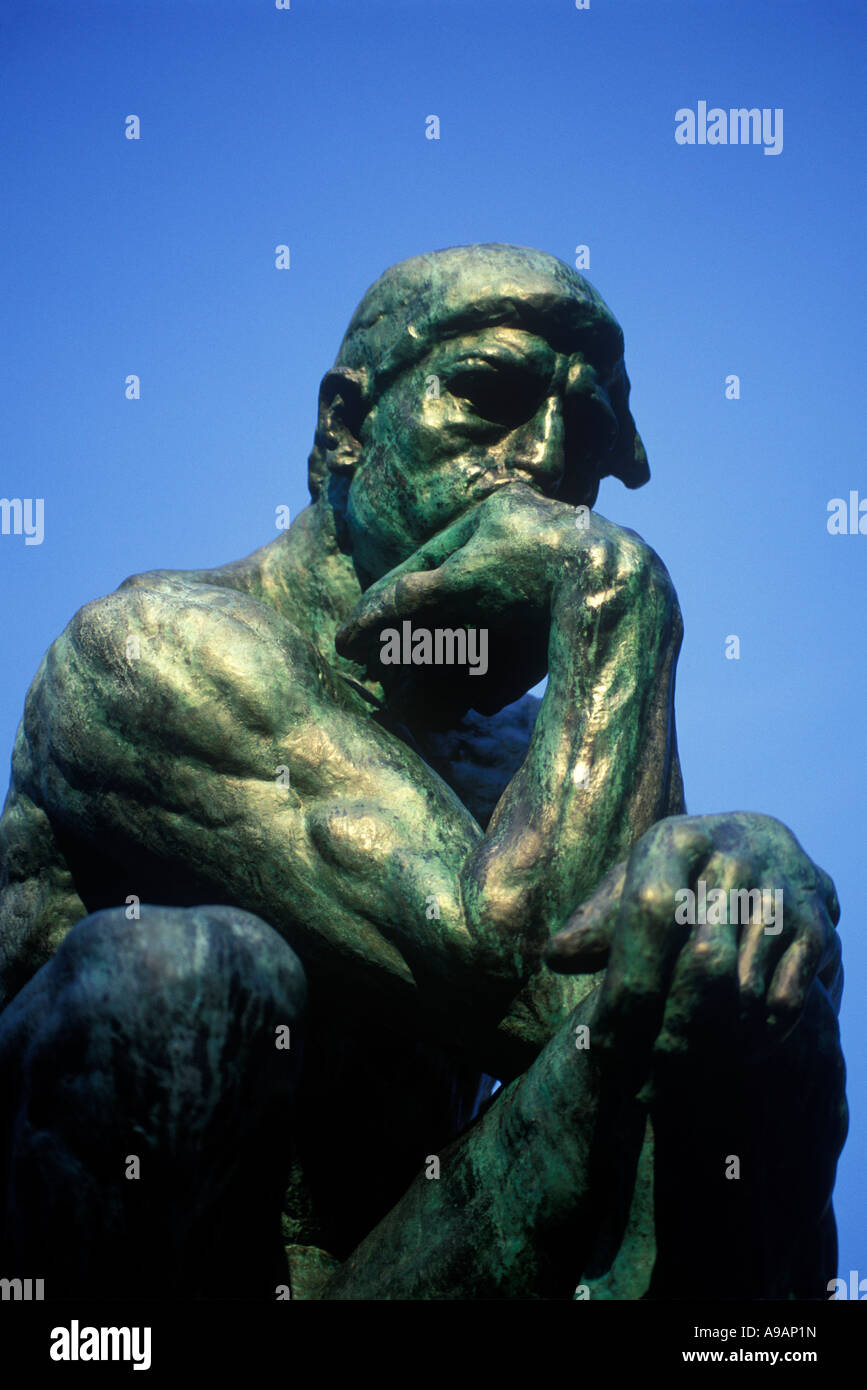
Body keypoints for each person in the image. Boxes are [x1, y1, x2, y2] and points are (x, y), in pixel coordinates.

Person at [0, 244, 846, 1299]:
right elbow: (516, 978)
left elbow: (618, 1015)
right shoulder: (150, 655)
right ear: (345, 429)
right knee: (190, 971)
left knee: (747, 992)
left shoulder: (530, 752)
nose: (541, 461)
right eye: (488, 399)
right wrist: (616, 594)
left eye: (583, 434)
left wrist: (752, 886)